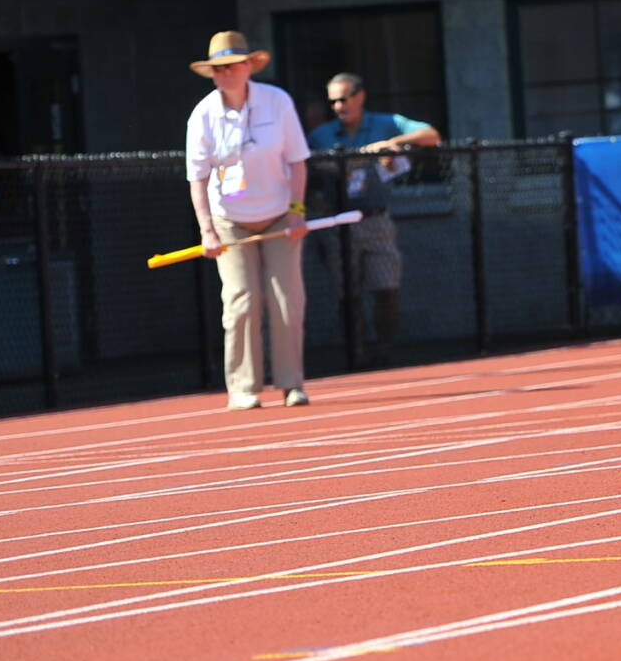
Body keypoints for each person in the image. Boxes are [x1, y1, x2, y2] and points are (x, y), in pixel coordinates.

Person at [183, 31, 312, 410]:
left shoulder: (278, 102)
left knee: (287, 298)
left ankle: (292, 383)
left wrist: (296, 212)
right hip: (230, 220)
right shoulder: (203, 115)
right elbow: (198, 178)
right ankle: (242, 387)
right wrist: (207, 229)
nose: (225, 74)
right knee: (242, 300)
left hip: (278, 216)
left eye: (232, 66)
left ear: (248, 66)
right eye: (218, 68)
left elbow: (298, 162)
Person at [308, 72, 441, 365]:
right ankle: (355, 352)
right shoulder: (322, 135)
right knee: (347, 293)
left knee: (386, 286)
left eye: (344, 99)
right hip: (338, 222)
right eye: (333, 102)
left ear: (360, 97)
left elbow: (431, 135)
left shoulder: (385, 122)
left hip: (376, 218)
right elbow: (311, 171)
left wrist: (393, 143)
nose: (339, 106)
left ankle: (384, 352)